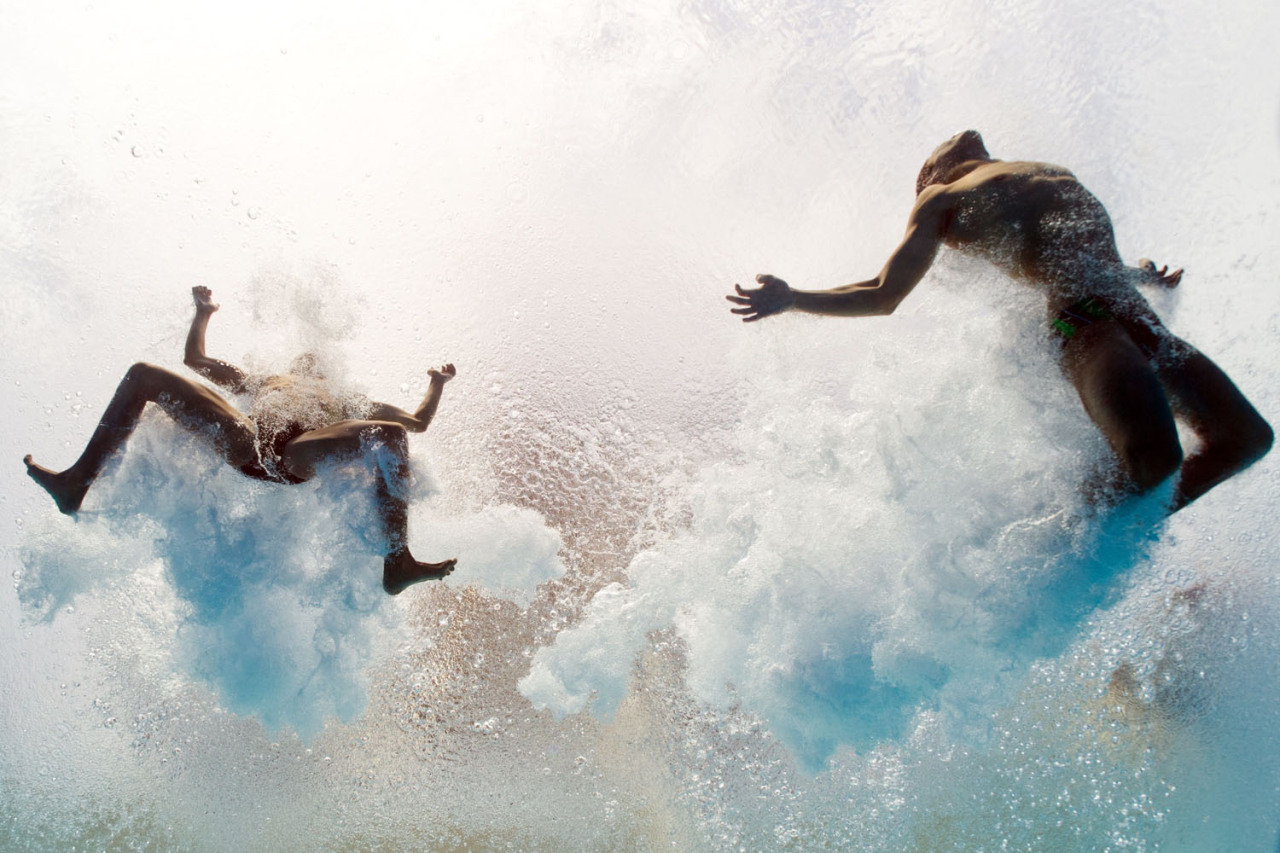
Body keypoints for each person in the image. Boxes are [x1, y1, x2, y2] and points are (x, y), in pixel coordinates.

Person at [727, 130, 1272, 511]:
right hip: (1076, 322)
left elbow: (1080, 251)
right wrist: (795, 297)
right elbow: (882, 292)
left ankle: (1124, 535)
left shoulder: (1033, 173)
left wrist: (1142, 275)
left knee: (1245, 438)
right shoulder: (941, 199)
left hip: (1130, 311)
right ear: (930, 175)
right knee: (1156, 456)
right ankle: (1074, 550)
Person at [24, 286, 458, 594]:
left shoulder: (349, 400)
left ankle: (397, 559)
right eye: (304, 359)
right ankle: (76, 483)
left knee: (392, 435)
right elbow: (195, 359)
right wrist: (203, 314)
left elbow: (417, 422)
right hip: (246, 444)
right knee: (143, 376)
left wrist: (435, 385)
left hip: (296, 456)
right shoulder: (262, 381)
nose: (310, 361)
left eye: (318, 361)